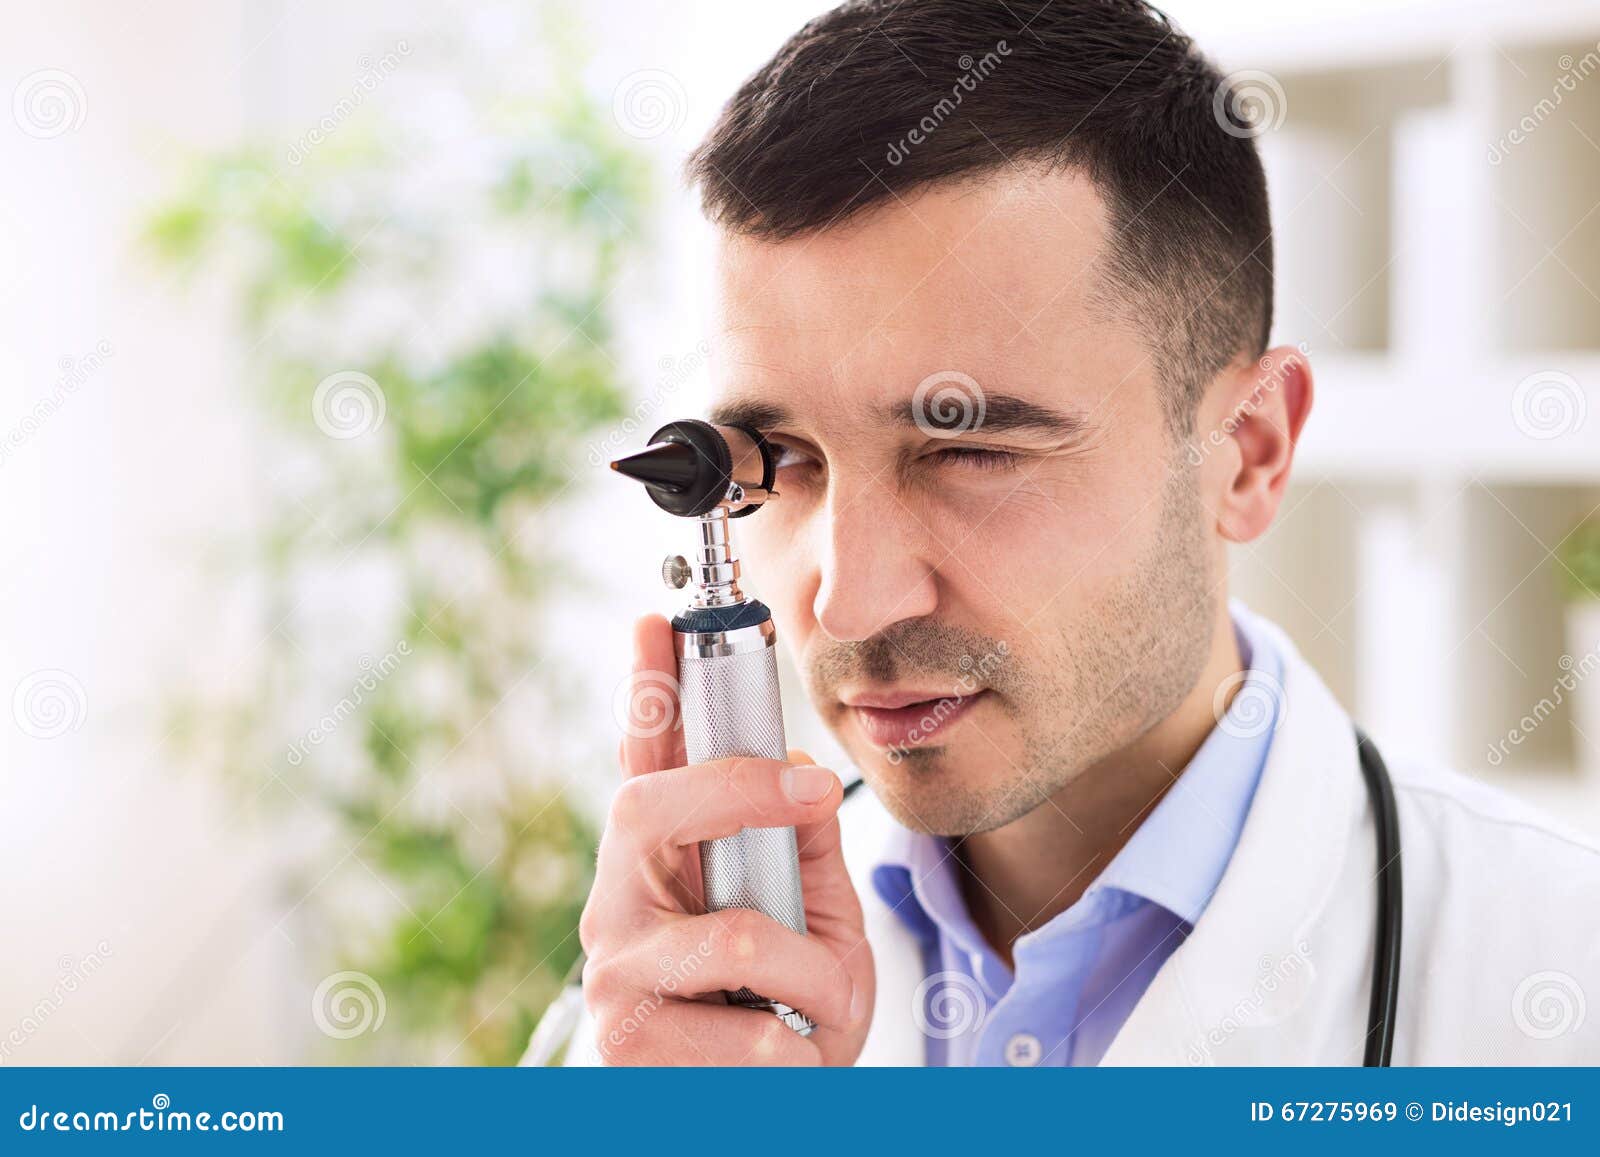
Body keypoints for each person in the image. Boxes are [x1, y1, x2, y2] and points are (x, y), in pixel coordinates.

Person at [564, 0, 1600, 1065]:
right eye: (777, 461)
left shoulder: (1559, 982)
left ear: (1247, 452)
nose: (847, 600)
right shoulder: (680, 1003)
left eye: (965, 448)